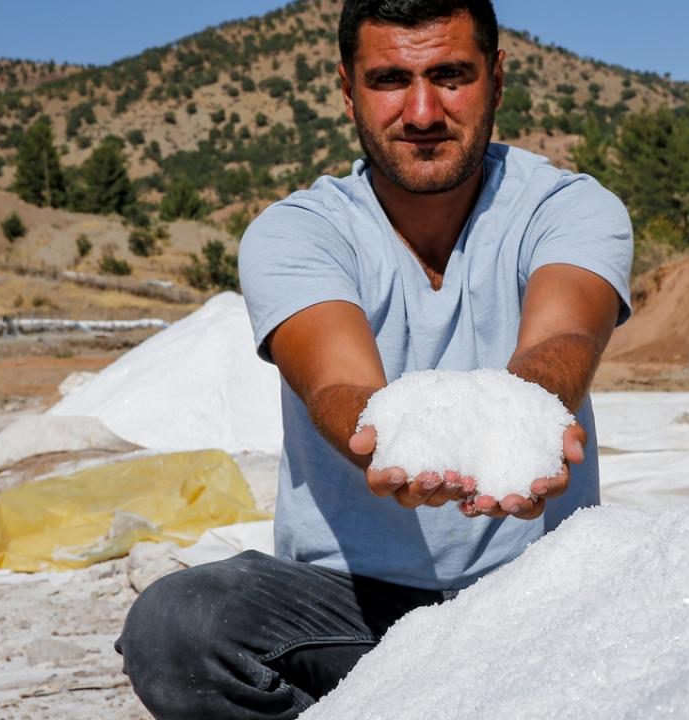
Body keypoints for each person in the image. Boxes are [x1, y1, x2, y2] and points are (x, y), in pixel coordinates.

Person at [116, 1, 632, 717]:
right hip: (353, 614)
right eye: (390, 79)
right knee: (179, 625)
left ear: (498, 78)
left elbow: (563, 338)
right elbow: (339, 378)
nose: (422, 111)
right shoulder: (298, 233)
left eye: (451, 75)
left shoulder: (570, 207)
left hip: (541, 593)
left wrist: (530, 418)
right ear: (347, 88)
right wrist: (388, 445)